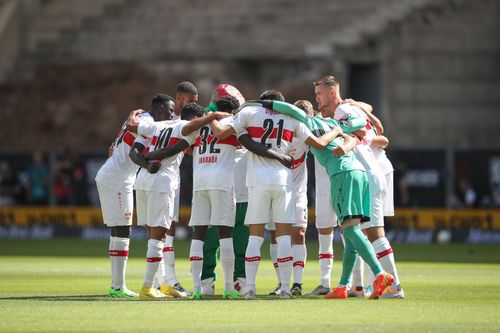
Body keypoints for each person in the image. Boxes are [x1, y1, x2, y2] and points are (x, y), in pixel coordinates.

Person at [210, 90, 342, 300]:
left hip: (258, 182)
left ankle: (250, 288)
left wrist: (212, 116)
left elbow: (221, 134)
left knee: (255, 236)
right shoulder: (291, 118)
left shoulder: (250, 113)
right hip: (283, 181)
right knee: (283, 238)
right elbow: (319, 144)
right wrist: (335, 131)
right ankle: (286, 289)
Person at [126, 103, 229, 299]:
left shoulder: (160, 124)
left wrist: (133, 113)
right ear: (196, 119)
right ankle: (147, 288)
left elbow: (132, 126)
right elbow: (171, 150)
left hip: (143, 179)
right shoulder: (187, 129)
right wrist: (214, 115)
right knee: (159, 236)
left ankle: (162, 284)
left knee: (153, 236)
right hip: (161, 181)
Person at [312, 76, 395, 299]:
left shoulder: (341, 113)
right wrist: (357, 116)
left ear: (331, 93)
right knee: (351, 233)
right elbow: (375, 132)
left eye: (319, 94)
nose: (317, 99)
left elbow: (371, 132)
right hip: (366, 173)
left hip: (358, 175)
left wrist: (342, 129)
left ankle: (390, 283)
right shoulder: (344, 113)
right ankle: (349, 286)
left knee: (367, 233)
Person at [94, 94, 169, 298]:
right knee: (122, 230)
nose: (171, 113)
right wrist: (148, 166)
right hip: (118, 178)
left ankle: (117, 285)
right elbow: (133, 154)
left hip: (112, 174)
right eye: (169, 109)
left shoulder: (139, 118)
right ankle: (118, 287)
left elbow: (116, 145)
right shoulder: (148, 123)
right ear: (161, 108)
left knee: (119, 231)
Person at [333, 96, 404, 299]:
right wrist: (359, 107)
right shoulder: (354, 122)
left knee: (373, 233)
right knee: (356, 232)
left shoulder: (353, 128)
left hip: (370, 177)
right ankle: (361, 286)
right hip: (368, 177)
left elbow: (382, 138)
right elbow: (375, 123)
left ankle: (394, 286)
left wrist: (355, 109)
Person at [157, 81, 200, 296]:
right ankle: (167, 279)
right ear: (179, 99)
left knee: (168, 226)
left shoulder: (186, 120)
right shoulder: (168, 120)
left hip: (172, 177)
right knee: (165, 227)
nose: (194, 104)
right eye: (191, 100)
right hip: (162, 177)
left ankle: (161, 279)